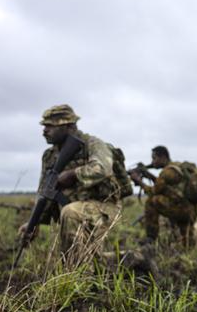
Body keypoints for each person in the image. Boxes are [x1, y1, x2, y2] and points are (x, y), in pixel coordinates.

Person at [19, 104, 122, 259]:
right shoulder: (49, 156)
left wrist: (73, 174)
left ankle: (75, 276)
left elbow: (102, 169)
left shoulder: (93, 144)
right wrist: (34, 223)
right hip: (74, 211)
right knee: (91, 260)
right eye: (44, 126)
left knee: (70, 213)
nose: (44, 131)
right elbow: (45, 191)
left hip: (104, 207)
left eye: (50, 126)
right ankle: (134, 259)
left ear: (69, 126)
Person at [129, 145, 197, 247]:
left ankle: (151, 239)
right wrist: (150, 176)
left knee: (152, 201)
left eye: (154, 158)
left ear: (163, 158)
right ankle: (187, 245)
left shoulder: (167, 172)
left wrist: (139, 181)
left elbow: (153, 191)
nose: (153, 162)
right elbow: (165, 188)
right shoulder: (177, 167)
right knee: (187, 244)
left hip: (180, 209)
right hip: (191, 210)